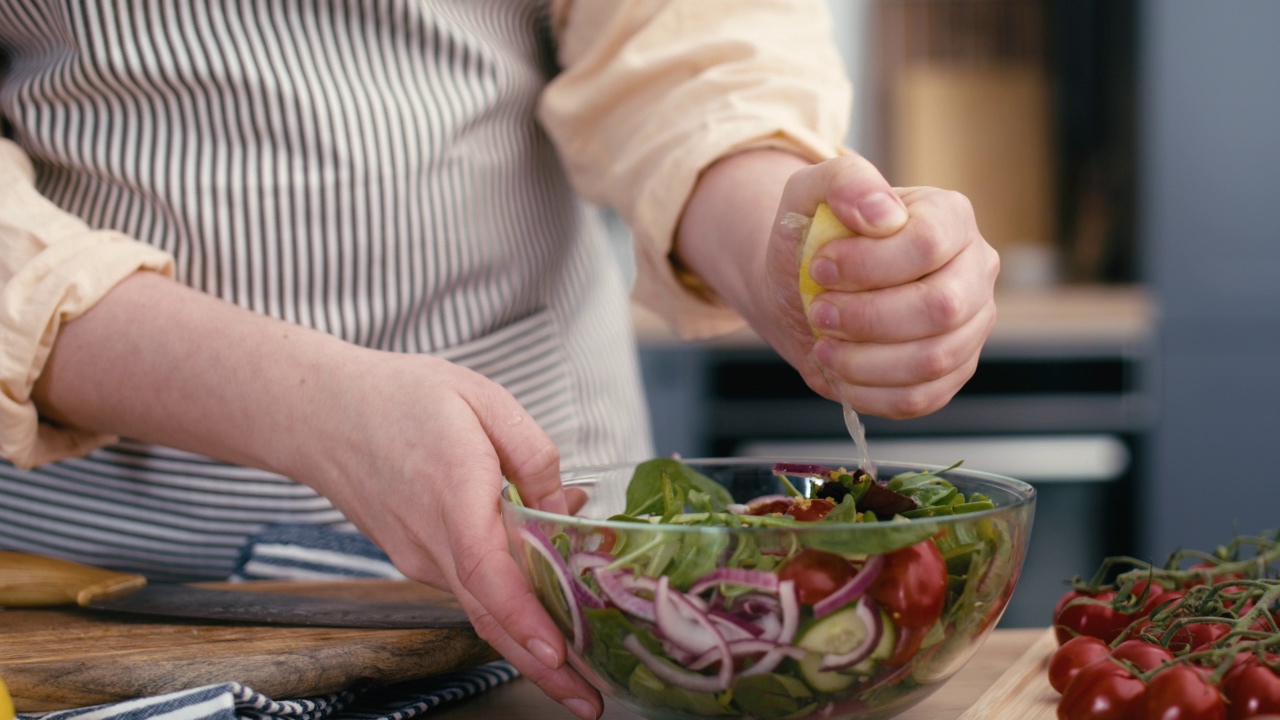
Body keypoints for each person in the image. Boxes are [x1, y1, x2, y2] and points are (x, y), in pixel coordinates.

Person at [0, 2, 998, 719]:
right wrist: (304, 405)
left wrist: (769, 241)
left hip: (561, 574)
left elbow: (680, 41)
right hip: (92, 585)